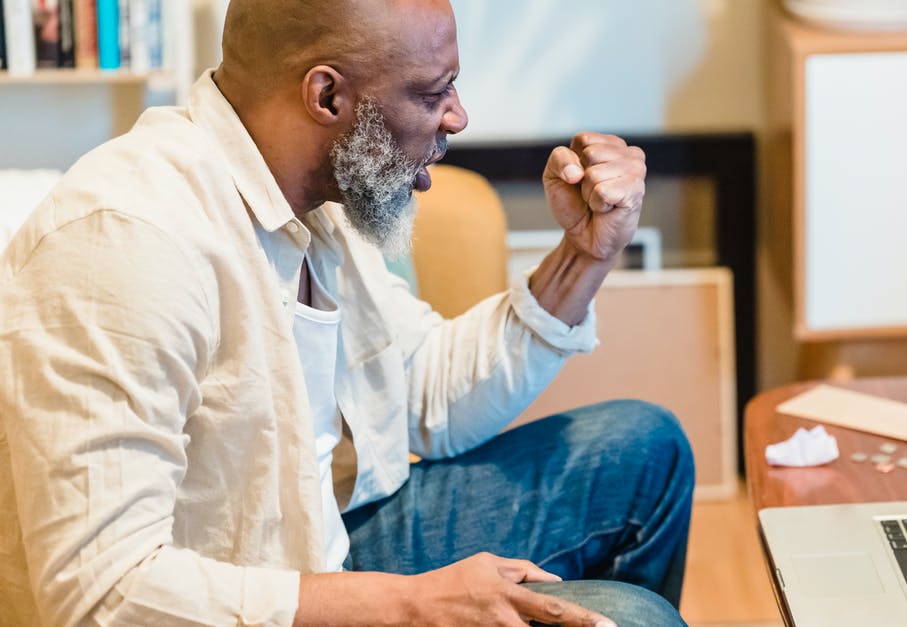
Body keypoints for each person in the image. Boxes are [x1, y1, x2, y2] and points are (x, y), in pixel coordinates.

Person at [0, 0, 694, 625]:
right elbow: (102, 593)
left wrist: (585, 254)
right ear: (326, 94)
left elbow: (430, 391)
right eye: (433, 92)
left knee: (647, 448)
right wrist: (415, 604)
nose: (458, 115)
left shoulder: (316, 198)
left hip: (323, 538)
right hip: (236, 598)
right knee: (636, 618)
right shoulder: (128, 240)